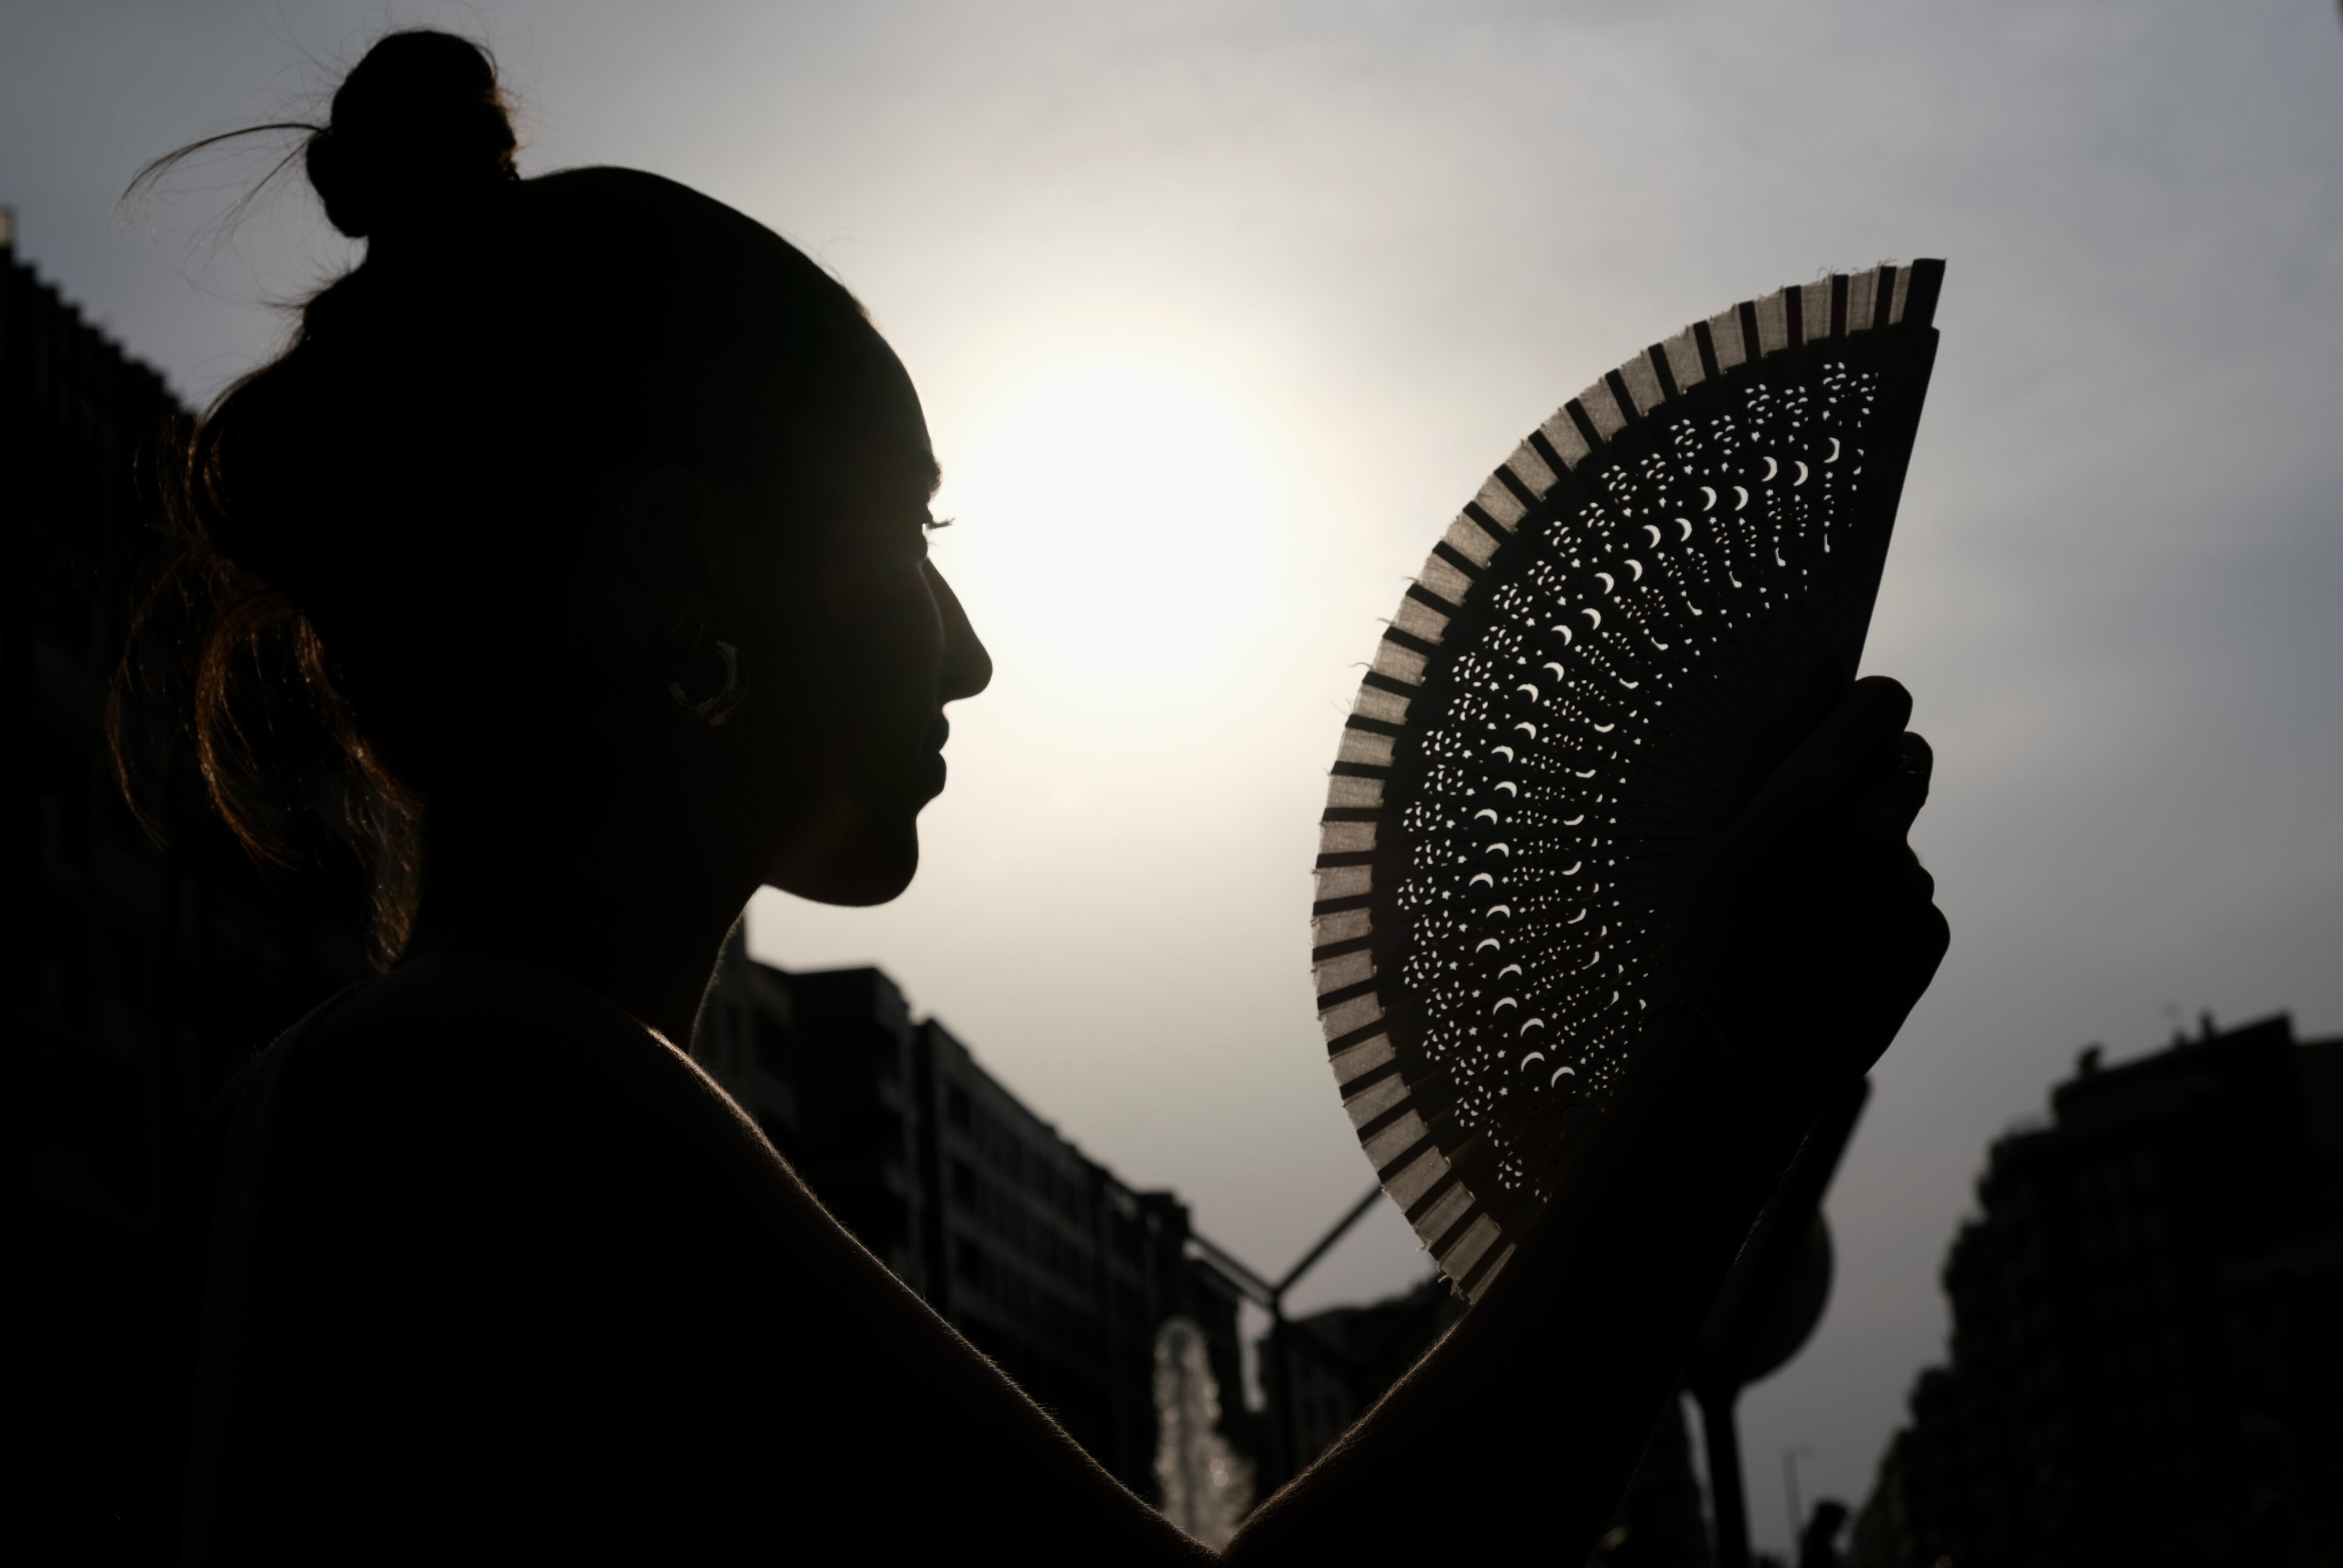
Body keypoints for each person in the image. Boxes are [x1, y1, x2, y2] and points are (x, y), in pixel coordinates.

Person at [113, 30, 1949, 1564]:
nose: (971, 651)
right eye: (910, 535)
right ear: (683, 581)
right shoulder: (521, 1093)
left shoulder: (320, 1111)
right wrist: (1713, 1090)